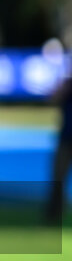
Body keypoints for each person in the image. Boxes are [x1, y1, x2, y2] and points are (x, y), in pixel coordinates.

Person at [44, 74, 72, 223]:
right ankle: (54, 217)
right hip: (66, 139)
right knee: (58, 179)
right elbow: (52, 99)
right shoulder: (67, 84)